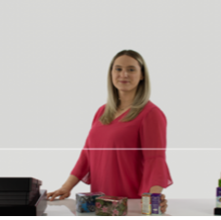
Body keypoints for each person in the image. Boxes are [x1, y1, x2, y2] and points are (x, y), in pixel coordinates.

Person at [47, 50, 173, 214]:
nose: (124, 74)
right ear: (111, 74)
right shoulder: (102, 112)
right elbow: (87, 154)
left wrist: (153, 199)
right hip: (100, 204)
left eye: (131, 69)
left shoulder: (151, 114)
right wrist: (66, 187)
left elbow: (155, 160)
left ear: (142, 75)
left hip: (130, 204)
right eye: (118, 69)